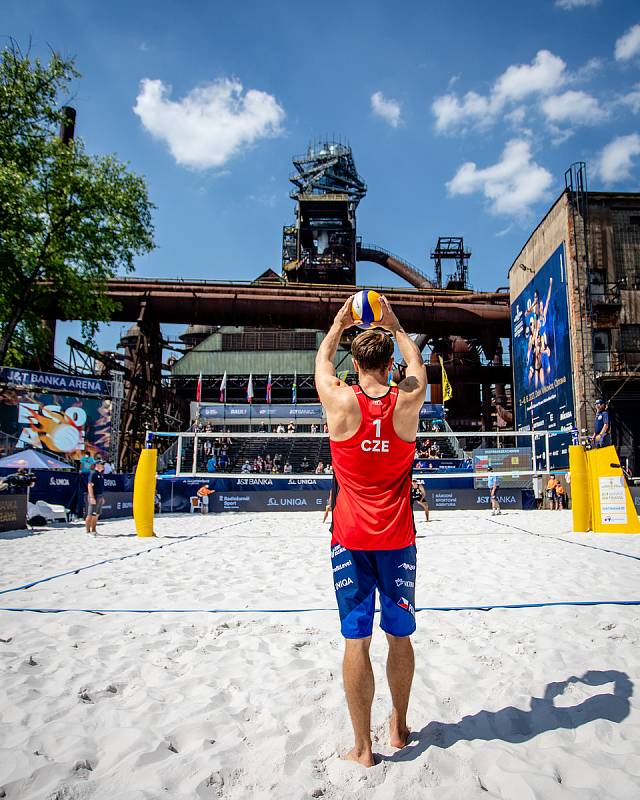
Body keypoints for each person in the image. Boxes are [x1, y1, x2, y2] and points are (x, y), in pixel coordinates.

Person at [315, 294, 426, 767]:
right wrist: (399, 326)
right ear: (388, 362)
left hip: (352, 539)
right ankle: (398, 726)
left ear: (356, 361)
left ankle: (363, 748)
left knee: (355, 641)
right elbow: (417, 366)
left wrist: (340, 322)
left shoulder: (339, 400)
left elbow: (321, 360)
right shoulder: (409, 400)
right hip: (397, 538)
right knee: (399, 637)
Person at [85, 460, 105, 534]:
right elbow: (89, 485)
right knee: (90, 515)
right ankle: (87, 532)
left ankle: (93, 530)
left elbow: (100, 487)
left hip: (99, 496)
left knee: (96, 515)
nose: (103, 465)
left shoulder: (101, 474)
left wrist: (102, 497)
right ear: (97, 465)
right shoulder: (93, 473)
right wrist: (91, 497)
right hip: (94, 496)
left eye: (103, 464)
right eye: (101, 464)